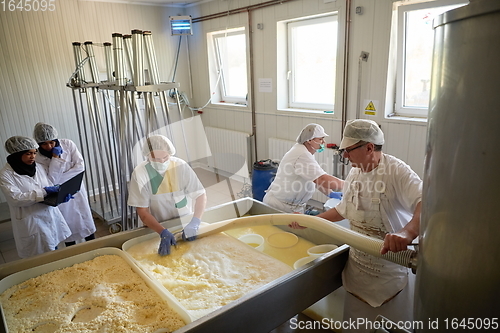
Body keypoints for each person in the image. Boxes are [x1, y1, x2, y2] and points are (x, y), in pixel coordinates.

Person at [291, 119, 422, 332]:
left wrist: (407, 232)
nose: (345, 156)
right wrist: (312, 221)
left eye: (348, 150)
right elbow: (343, 209)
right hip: (357, 275)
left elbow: (425, 201)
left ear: (369, 147)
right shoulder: (355, 172)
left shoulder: (397, 172)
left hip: (388, 278)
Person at [128, 134, 207, 256]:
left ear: (170, 153)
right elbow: (143, 212)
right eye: (156, 159)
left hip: (183, 223)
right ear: (147, 155)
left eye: (165, 157)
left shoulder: (181, 167)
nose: (162, 162)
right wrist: (162, 232)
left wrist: (195, 222)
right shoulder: (140, 174)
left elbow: (200, 194)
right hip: (155, 227)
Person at [0, 136, 72, 258]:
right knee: (39, 258)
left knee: (53, 249)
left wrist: (58, 197)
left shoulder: (37, 167)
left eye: (34, 153)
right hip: (31, 221)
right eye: (28, 153)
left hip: (49, 215)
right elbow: (16, 199)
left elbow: (48, 184)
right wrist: (44, 192)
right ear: (17, 154)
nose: (33, 157)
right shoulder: (6, 175)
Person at [33, 122, 96, 247]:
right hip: (59, 193)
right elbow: (51, 181)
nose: (49, 146)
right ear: (39, 144)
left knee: (86, 220)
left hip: (76, 188)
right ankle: (71, 251)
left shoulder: (68, 144)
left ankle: (93, 245)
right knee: (67, 223)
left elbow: (80, 167)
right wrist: (56, 159)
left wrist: (59, 177)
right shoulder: (37, 158)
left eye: (52, 142)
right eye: (44, 144)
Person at [263, 123, 344, 213]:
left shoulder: (305, 152)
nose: (323, 142)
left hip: (292, 205)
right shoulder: (302, 154)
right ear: (309, 140)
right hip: (280, 205)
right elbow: (322, 179)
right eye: (320, 139)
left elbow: (314, 178)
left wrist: (330, 193)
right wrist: (349, 185)